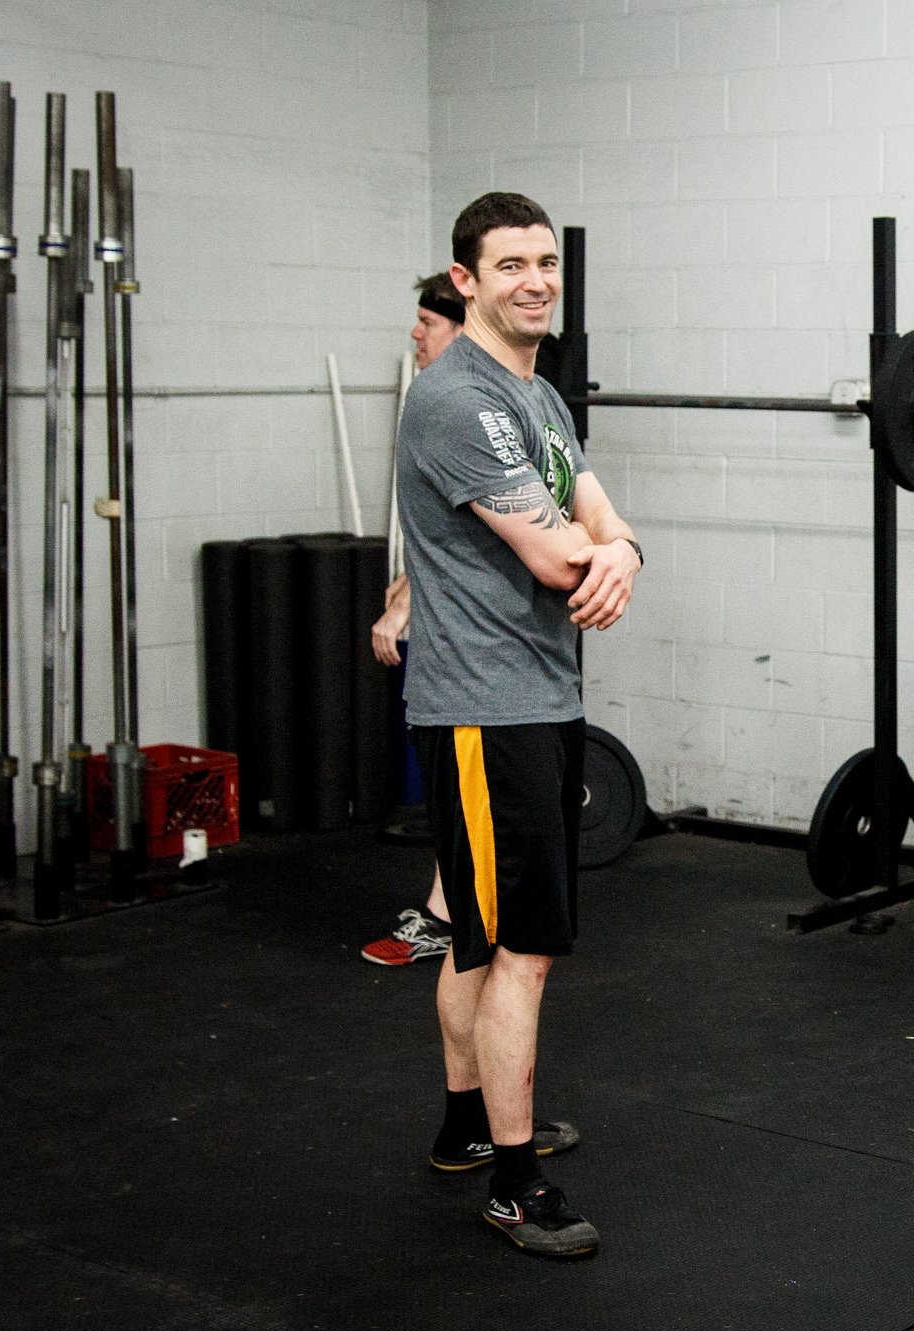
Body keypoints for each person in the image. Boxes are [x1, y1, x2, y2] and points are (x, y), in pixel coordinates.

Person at [399, 191, 641, 1256]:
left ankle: (468, 1123)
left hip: (532, 698)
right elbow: (558, 553)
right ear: (466, 281)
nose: (536, 281)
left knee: (480, 936)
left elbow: (598, 515)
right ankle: (512, 1181)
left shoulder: (536, 396)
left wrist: (624, 547)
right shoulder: (459, 401)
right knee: (522, 952)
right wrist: (608, 550)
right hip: (486, 710)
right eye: (510, 266)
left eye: (546, 262)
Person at [361, 273, 465, 969]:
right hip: (453, 643)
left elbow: (476, 549)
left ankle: (450, 919)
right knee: (451, 789)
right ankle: (448, 913)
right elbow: (444, 537)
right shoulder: (438, 405)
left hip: (477, 656)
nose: (415, 332)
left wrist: (404, 605)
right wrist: (405, 590)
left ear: (461, 329)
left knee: (461, 789)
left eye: (428, 322)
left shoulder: (461, 414)